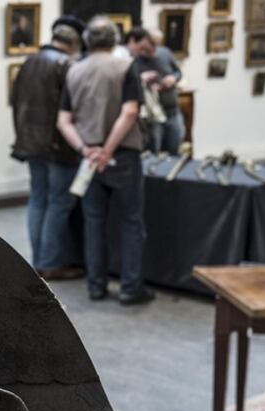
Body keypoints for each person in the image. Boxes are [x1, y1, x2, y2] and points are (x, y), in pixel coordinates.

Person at [56, 15, 154, 305]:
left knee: (94, 222)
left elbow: (63, 121)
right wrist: (108, 150)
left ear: (87, 41)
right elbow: (130, 112)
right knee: (131, 222)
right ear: (114, 40)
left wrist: (86, 149)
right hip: (121, 155)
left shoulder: (75, 70)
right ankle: (130, 287)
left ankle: (96, 285)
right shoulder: (125, 66)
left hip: (89, 158)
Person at [10, 17, 84, 280]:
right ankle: (50, 262)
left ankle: (38, 262)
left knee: (38, 199)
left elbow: (15, 101)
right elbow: (74, 107)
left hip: (31, 143)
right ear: (74, 43)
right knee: (58, 203)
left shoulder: (29, 62)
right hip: (59, 145)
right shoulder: (67, 64)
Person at [146, 28, 185, 154]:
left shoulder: (165, 53)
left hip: (172, 110)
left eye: (158, 43)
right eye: (152, 43)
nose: (155, 47)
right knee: (154, 152)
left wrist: (173, 78)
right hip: (154, 115)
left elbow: (178, 73)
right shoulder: (139, 58)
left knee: (175, 147)